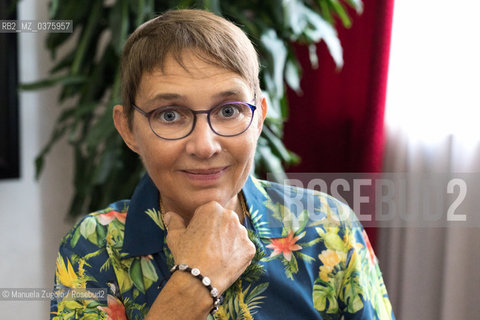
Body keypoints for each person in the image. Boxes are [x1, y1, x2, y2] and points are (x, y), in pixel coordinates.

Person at [50, 9, 395, 320]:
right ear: (128, 129)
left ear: (259, 117)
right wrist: (194, 285)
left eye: (228, 111)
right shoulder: (94, 247)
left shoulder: (328, 228)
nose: (204, 146)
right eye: (169, 115)